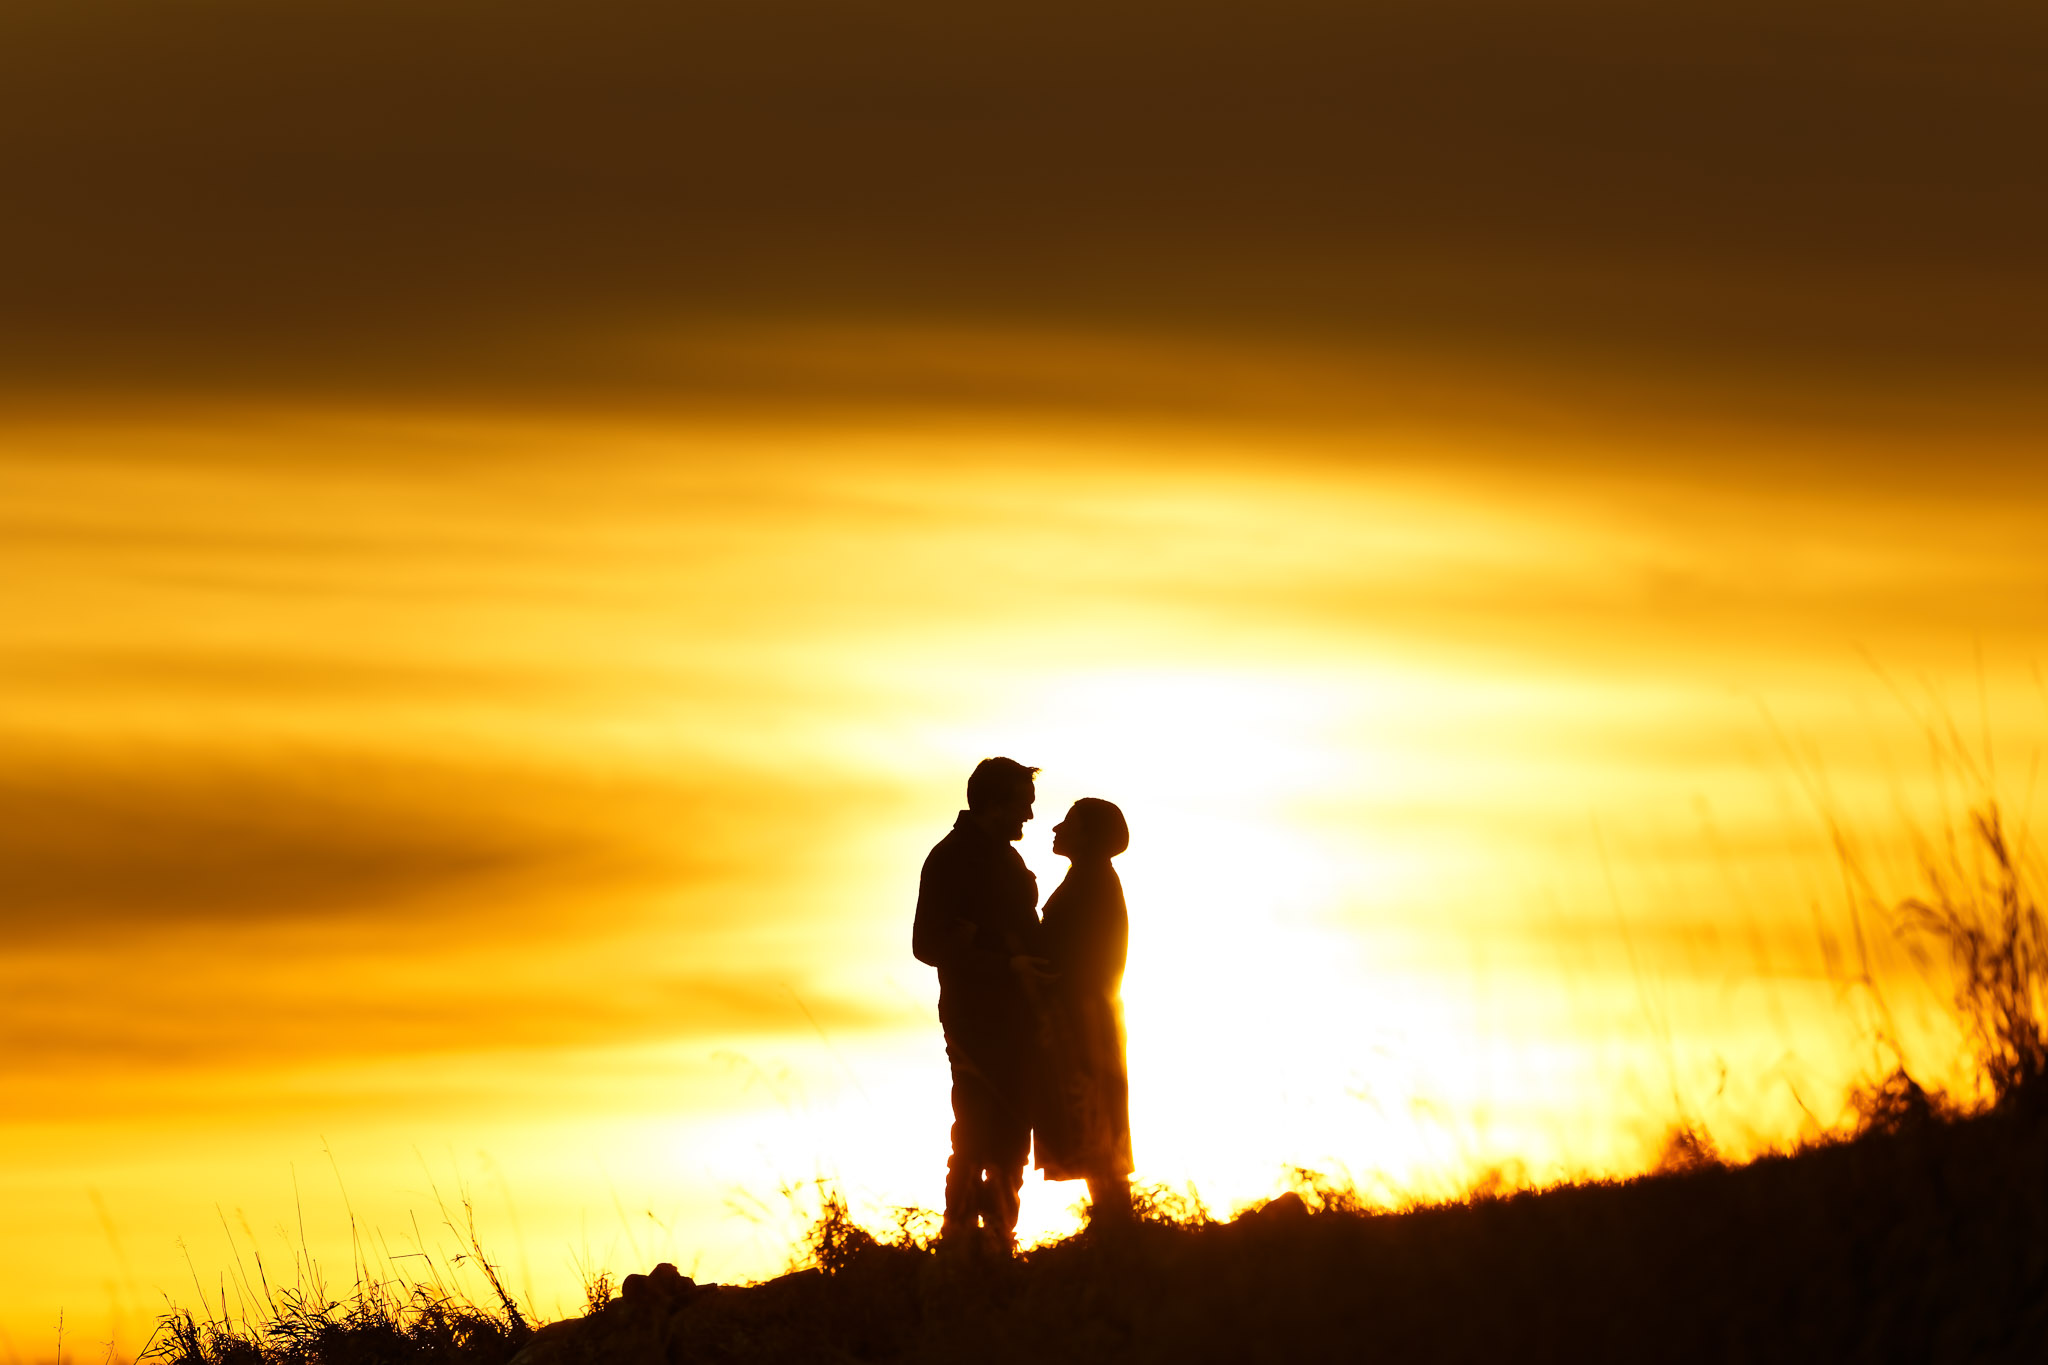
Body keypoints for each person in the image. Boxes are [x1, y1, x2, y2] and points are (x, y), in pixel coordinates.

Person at [911, 756, 1048, 1253]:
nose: (1029, 816)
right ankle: (961, 1240)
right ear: (994, 803)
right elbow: (926, 944)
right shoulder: (950, 859)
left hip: (1018, 1018)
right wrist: (1003, 966)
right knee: (975, 1126)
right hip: (975, 1018)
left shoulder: (1003, 858)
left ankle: (996, 1241)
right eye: (1022, 804)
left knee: (1012, 1128)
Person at [1033, 797, 1135, 1227]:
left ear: (1088, 835)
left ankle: (1117, 1232)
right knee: (1093, 1132)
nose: (1055, 828)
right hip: (1084, 1020)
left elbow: (1077, 959)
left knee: (1095, 1130)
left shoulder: (1092, 883)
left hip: (1084, 1023)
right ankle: (1115, 1230)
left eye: (1068, 823)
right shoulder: (1090, 880)